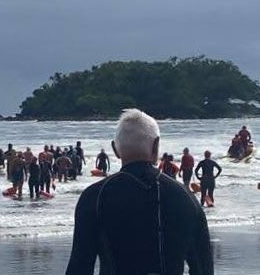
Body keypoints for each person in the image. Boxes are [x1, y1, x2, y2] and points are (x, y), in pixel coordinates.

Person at [66, 109, 213, 275]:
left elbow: (79, 267)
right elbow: (204, 269)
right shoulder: (186, 199)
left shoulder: (94, 197)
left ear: (115, 149)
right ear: (156, 145)